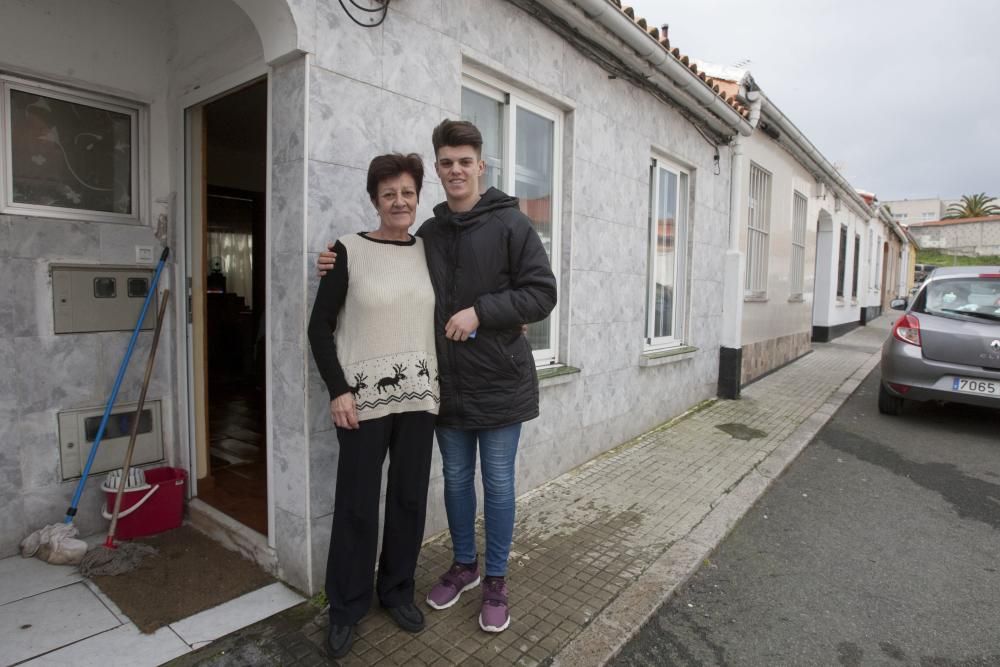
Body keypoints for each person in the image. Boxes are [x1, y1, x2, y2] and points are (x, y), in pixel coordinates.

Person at [318, 119, 557, 633]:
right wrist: (334, 260)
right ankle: (456, 569)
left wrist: (482, 311)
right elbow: (367, 277)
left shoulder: (511, 225)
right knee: (449, 483)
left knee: (491, 484)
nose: (455, 170)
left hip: (492, 385)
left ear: (480, 165)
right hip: (439, 392)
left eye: (464, 161)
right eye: (446, 162)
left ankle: (492, 580)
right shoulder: (430, 233)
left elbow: (542, 294)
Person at [308, 153, 439, 658]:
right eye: (389, 194)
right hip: (361, 404)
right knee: (358, 505)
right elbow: (319, 328)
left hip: (420, 398)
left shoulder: (430, 251)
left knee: (408, 499)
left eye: (407, 192)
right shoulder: (345, 251)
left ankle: (397, 592)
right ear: (374, 200)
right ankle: (345, 606)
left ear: (416, 195)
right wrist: (338, 389)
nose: (399, 202)